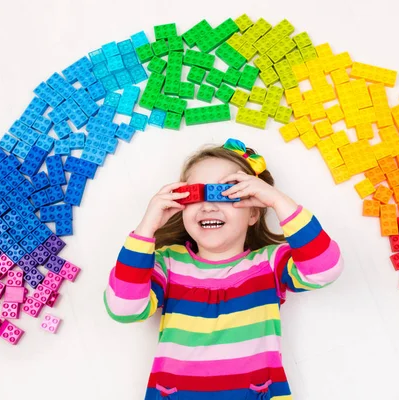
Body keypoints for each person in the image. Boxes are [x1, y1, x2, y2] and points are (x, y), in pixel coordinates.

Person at [104, 138, 344, 399]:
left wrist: (278, 200)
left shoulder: (269, 263)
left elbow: (325, 269)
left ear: (254, 213)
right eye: (195, 196)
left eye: (227, 194)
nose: (208, 206)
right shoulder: (168, 263)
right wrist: (146, 229)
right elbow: (124, 308)